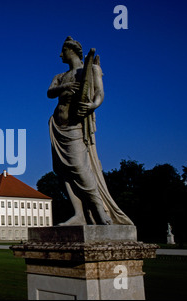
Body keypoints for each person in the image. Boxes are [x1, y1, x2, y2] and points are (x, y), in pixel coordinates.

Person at [47, 36, 133, 225]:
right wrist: (66, 86)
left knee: (80, 168)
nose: (61, 55)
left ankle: (98, 209)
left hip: (75, 126)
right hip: (57, 126)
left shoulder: (92, 69)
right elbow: (50, 92)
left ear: (73, 51)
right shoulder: (60, 77)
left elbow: (100, 93)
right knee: (64, 173)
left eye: (64, 50)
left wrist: (93, 105)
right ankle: (78, 214)